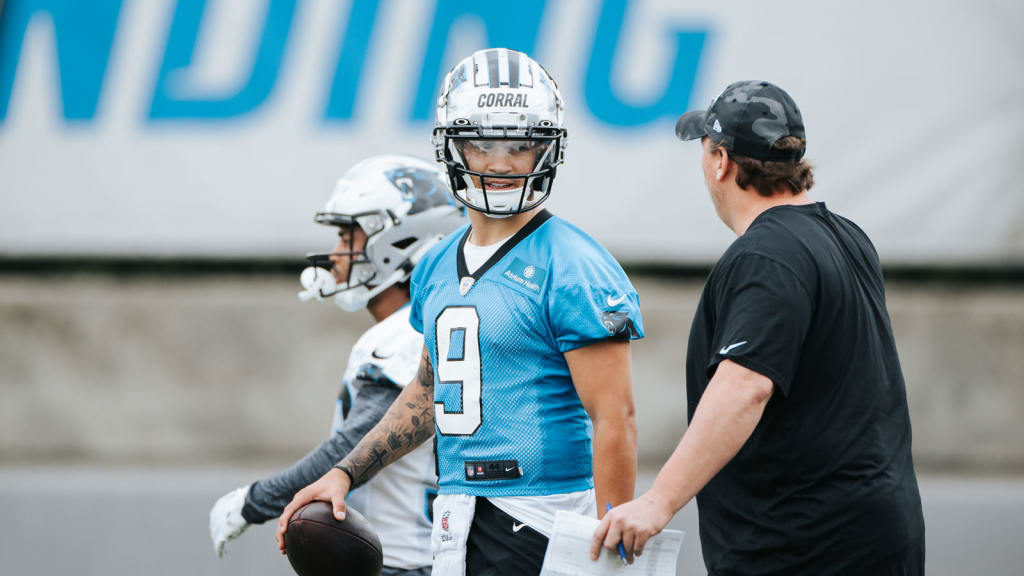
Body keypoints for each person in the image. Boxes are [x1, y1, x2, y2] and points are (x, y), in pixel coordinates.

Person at [275, 48, 645, 576]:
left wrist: (611, 542)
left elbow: (615, 416)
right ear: (452, 146)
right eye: (480, 142)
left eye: (520, 144)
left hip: (542, 516)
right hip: (455, 517)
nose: (499, 162)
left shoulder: (574, 265)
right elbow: (427, 394)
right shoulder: (436, 265)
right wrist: (345, 474)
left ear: (547, 148)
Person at [592, 80, 926, 574]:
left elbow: (746, 384)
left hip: (806, 547)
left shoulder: (767, 255)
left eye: (705, 151)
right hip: (873, 534)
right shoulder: (847, 237)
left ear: (722, 162)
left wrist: (658, 501)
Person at [208, 155, 466, 576]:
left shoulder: (402, 334)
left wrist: (255, 500)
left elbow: (359, 440)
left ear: (399, 242)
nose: (337, 253)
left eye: (350, 235)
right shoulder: (435, 323)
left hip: (405, 562)